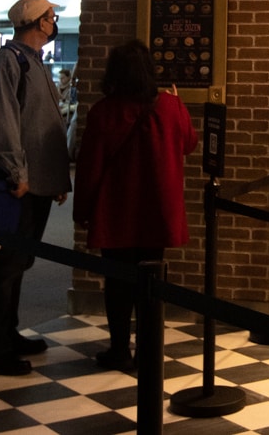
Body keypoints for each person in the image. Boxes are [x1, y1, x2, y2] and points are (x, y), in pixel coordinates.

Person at [73, 40, 196, 372]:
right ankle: (148, 350)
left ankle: (118, 349)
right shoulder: (169, 107)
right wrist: (179, 102)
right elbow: (189, 144)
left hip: (115, 213)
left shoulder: (103, 111)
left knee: (117, 285)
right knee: (151, 284)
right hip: (157, 212)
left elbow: (89, 167)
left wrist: (82, 211)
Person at [0, 0, 71, 377]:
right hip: (17, 185)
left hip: (36, 184)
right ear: (38, 22)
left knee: (18, 264)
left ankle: (7, 334)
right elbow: (3, 123)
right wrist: (17, 173)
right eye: (51, 16)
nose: (54, 21)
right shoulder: (6, 62)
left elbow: (45, 125)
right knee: (2, 266)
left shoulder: (33, 63)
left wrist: (55, 178)